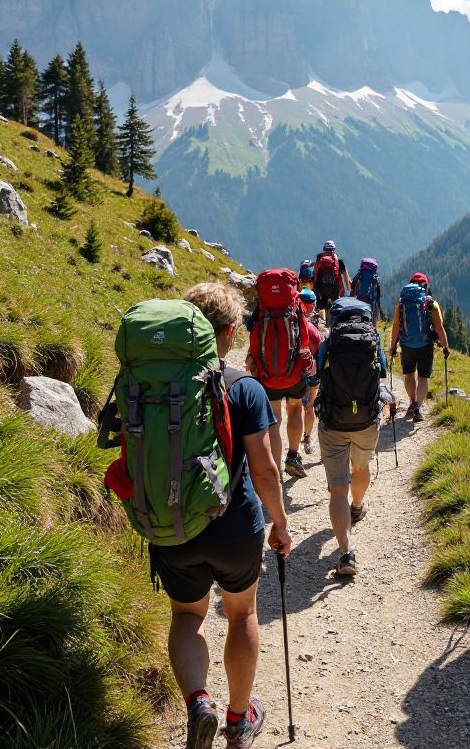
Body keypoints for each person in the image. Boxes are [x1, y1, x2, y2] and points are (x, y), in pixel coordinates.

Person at [149, 282, 293, 749]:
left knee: (187, 615)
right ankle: (238, 719)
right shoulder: (243, 388)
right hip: (234, 528)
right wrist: (280, 524)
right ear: (229, 331)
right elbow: (265, 470)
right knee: (241, 612)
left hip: (173, 527)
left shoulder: (155, 385)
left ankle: (198, 703)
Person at [308, 296, 391, 577]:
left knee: (337, 488)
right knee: (361, 467)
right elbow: (382, 373)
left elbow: (314, 377)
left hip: (333, 421)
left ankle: (346, 554)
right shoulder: (373, 339)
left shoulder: (330, 341)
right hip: (366, 421)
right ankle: (357, 507)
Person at [245, 269, 321, 481]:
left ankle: (276, 467)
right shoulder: (295, 305)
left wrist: (253, 362)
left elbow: (252, 334)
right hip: (294, 372)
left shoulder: (262, 309)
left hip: (268, 373)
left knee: (274, 418)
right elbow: (304, 337)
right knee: (295, 408)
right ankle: (293, 457)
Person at [389, 272, 449, 423]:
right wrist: (445, 347)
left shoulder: (402, 303)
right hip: (425, 345)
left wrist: (393, 346)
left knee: (409, 375)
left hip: (406, 344)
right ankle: (418, 407)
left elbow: (396, 326)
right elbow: (439, 327)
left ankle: (412, 401)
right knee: (422, 378)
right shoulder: (431, 304)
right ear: (426, 286)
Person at [298, 288, 319, 455]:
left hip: (294, 372)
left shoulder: (291, 322)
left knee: (295, 406)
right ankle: (307, 437)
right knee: (309, 406)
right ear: (312, 305)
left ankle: (294, 442)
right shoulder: (311, 328)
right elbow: (317, 346)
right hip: (310, 371)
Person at [313, 240, 351, 316]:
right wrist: (348, 288)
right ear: (334, 249)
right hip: (334, 288)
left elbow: (315, 273)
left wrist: (315, 284)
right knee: (337, 305)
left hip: (321, 287)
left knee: (321, 306)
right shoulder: (339, 261)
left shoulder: (319, 258)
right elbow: (345, 276)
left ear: (324, 249)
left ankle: (321, 319)